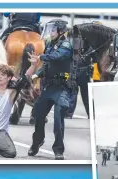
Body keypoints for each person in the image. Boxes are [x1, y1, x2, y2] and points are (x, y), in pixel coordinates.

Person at [28, 19, 73, 160]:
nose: (50, 32)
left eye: (53, 30)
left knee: (59, 118)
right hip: (48, 87)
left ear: (61, 32)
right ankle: (37, 142)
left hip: (62, 88)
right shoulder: (48, 44)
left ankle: (58, 149)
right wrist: (36, 74)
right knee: (37, 115)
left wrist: (40, 56)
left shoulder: (66, 45)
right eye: (50, 30)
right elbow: (47, 65)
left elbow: (55, 57)